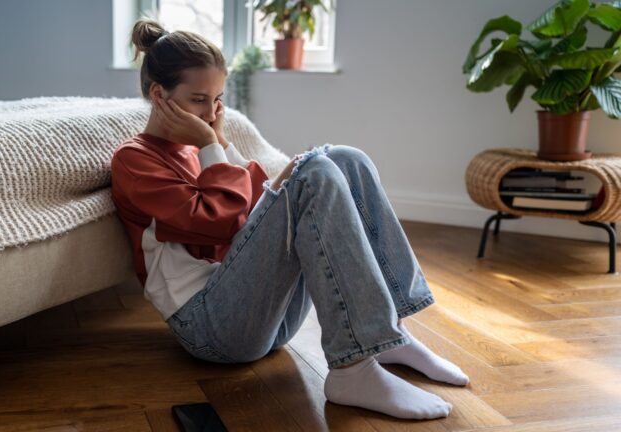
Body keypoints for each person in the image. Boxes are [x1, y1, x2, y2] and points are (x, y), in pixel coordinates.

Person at [110, 18, 469, 420]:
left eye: (217, 99)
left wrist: (229, 149)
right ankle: (353, 370)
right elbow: (218, 223)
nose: (211, 112)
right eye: (198, 99)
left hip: (265, 318)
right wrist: (213, 143)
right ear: (159, 95)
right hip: (210, 329)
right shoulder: (135, 159)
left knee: (343, 159)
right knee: (314, 174)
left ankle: (389, 333)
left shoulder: (199, 150)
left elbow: (249, 219)